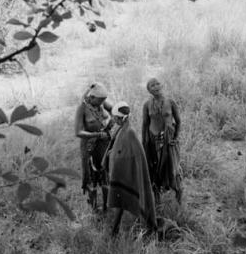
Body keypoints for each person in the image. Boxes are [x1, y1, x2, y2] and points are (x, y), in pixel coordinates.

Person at [103, 101, 157, 236]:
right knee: (121, 200)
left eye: (114, 118)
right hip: (122, 171)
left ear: (120, 118)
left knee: (128, 198)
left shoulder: (130, 132)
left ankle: (142, 228)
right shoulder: (122, 129)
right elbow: (120, 148)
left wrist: (116, 156)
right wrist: (112, 153)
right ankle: (115, 230)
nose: (113, 120)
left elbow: (137, 155)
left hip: (129, 173)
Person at [142, 78, 183, 204]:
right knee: (154, 168)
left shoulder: (170, 102)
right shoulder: (147, 105)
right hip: (153, 141)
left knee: (173, 168)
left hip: (168, 141)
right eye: (152, 85)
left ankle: (178, 200)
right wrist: (144, 141)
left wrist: (175, 138)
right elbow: (145, 124)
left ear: (162, 85)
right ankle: (157, 200)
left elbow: (178, 121)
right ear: (149, 90)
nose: (155, 87)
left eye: (157, 84)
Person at [74, 82, 113, 212]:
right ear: (91, 98)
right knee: (91, 176)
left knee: (105, 173)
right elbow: (78, 132)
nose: (102, 103)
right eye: (99, 100)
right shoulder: (82, 108)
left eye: (103, 100)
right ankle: (94, 209)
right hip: (89, 146)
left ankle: (107, 207)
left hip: (103, 144)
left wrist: (112, 121)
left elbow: (114, 110)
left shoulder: (101, 103)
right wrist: (96, 134)